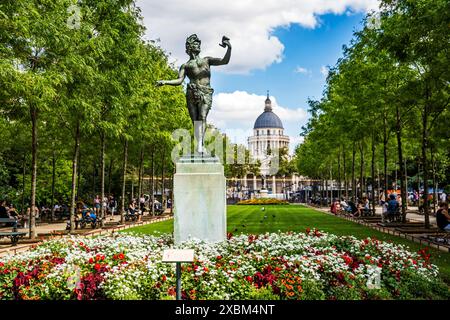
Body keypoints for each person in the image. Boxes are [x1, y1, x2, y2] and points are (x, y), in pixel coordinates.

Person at [156, 34, 232, 153]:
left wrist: (229, 48)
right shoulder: (185, 66)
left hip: (205, 93)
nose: (198, 46)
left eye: (199, 44)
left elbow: (224, 61)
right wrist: (165, 81)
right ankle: (199, 145)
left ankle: (200, 145)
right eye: (196, 44)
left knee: (202, 116)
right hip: (191, 93)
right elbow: (179, 80)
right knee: (195, 121)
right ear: (190, 47)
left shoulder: (207, 60)